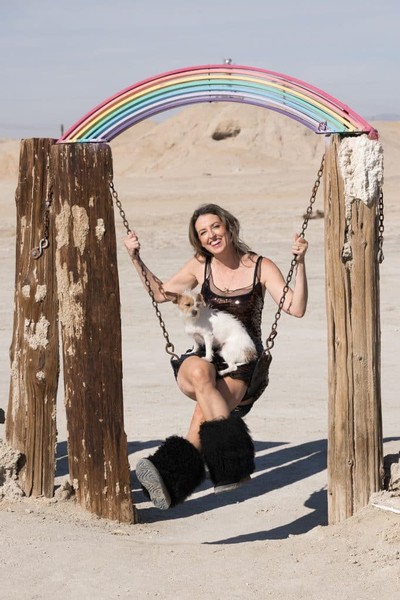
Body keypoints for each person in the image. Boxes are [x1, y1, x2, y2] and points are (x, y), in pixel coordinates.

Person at [124, 203, 309, 510]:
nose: (211, 236)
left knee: (204, 410)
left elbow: (296, 307)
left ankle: (170, 479)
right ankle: (233, 463)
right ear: (198, 239)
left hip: (242, 364)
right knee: (201, 375)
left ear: (228, 226)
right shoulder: (201, 264)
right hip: (203, 357)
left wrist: (300, 262)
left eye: (215, 227)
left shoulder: (261, 266)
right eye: (203, 232)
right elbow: (161, 293)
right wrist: (135, 257)